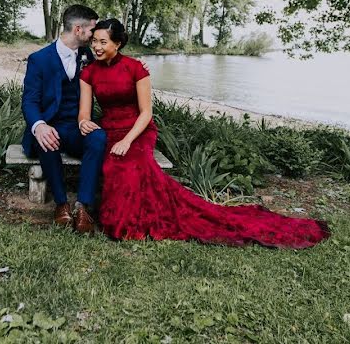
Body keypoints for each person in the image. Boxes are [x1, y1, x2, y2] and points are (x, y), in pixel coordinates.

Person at [78, 18, 330, 249]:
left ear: (118, 43)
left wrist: (127, 140)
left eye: (103, 42)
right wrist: (83, 123)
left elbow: (146, 114)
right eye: (94, 41)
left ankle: (136, 222)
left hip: (138, 130)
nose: (97, 47)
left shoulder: (135, 69)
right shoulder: (89, 72)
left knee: (134, 163)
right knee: (114, 166)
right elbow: (84, 113)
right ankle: (122, 219)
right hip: (110, 129)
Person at [21, 4, 106, 233]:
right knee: (46, 139)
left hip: (77, 125)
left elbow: (113, 66)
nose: (94, 36)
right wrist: (38, 126)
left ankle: (83, 206)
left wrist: (139, 67)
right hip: (51, 125)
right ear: (78, 30)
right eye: (92, 30)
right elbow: (29, 101)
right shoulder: (39, 59)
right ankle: (61, 205)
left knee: (98, 137)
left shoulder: (89, 55)